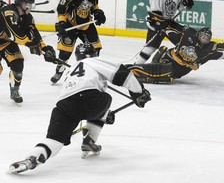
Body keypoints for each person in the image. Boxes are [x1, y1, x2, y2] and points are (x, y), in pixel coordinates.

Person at [9, 43, 151, 174]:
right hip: (92, 100)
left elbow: (78, 97)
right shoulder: (93, 61)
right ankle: (89, 140)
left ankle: (32, 158)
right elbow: (122, 74)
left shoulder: (70, 71)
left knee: (54, 142)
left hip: (64, 106)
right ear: (93, 54)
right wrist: (138, 92)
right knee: (105, 98)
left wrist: (102, 113)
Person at [128, 27, 224, 83]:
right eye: (202, 36)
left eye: (207, 38)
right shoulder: (188, 36)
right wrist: (162, 27)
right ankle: (139, 69)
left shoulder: (210, 48)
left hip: (181, 69)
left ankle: (139, 72)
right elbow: (168, 30)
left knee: (169, 73)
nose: (204, 39)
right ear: (198, 35)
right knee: (162, 52)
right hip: (169, 56)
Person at [50, 0, 106, 84]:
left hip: (86, 25)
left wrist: (97, 12)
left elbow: (94, 4)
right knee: (64, 54)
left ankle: (93, 73)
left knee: (96, 49)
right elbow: (61, 11)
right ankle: (59, 70)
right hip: (71, 25)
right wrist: (61, 24)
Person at [0, 0, 56, 104]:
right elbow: (13, 33)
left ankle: (15, 90)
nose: (30, 7)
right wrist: (29, 44)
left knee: (18, 63)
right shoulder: (8, 12)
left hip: (7, 43)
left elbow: (34, 34)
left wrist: (44, 48)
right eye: (28, 4)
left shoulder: (28, 17)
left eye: (31, 4)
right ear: (20, 3)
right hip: (8, 39)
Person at [133, 0, 194, 64]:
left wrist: (186, 2)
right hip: (157, 25)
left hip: (169, 22)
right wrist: (158, 22)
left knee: (183, 38)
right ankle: (137, 66)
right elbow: (155, 12)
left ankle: (179, 62)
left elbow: (180, 4)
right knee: (150, 49)